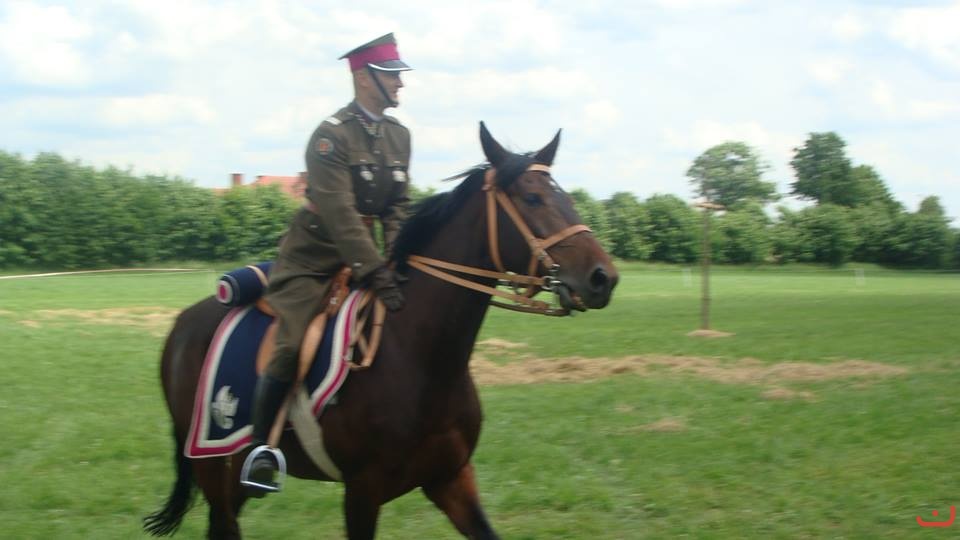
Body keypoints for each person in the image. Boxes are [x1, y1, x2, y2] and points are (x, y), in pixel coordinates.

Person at [242, 32, 413, 496]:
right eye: (391, 75)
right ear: (364, 78)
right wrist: (376, 271)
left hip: (368, 260)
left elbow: (397, 207)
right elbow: (340, 217)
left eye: (400, 75)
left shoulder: (399, 136)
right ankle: (261, 450)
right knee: (293, 341)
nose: (400, 83)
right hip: (312, 262)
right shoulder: (330, 137)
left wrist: (398, 262)